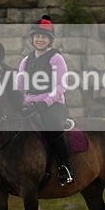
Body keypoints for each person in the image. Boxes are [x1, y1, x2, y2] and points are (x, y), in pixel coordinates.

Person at [17, 15, 74, 186]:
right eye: (37, 36)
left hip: (53, 104)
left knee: (52, 125)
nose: (40, 39)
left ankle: (65, 166)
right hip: (30, 104)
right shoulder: (25, 61)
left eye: (44, 37)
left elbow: (61, 86)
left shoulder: (56, 58)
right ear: (32, 39)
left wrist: (45, 103)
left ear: (50, 40)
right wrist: (19, 102)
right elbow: (20, 86)